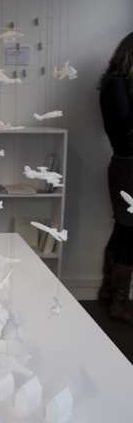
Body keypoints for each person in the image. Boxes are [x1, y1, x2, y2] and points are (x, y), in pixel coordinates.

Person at [99, 32, 133, 323]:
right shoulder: (116, 84)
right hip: (128, 167)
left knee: (124, 230)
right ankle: (118, 302)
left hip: (126, 165)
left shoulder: (117, 83)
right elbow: (125, 127)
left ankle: (110, 293)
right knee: (129, 232)